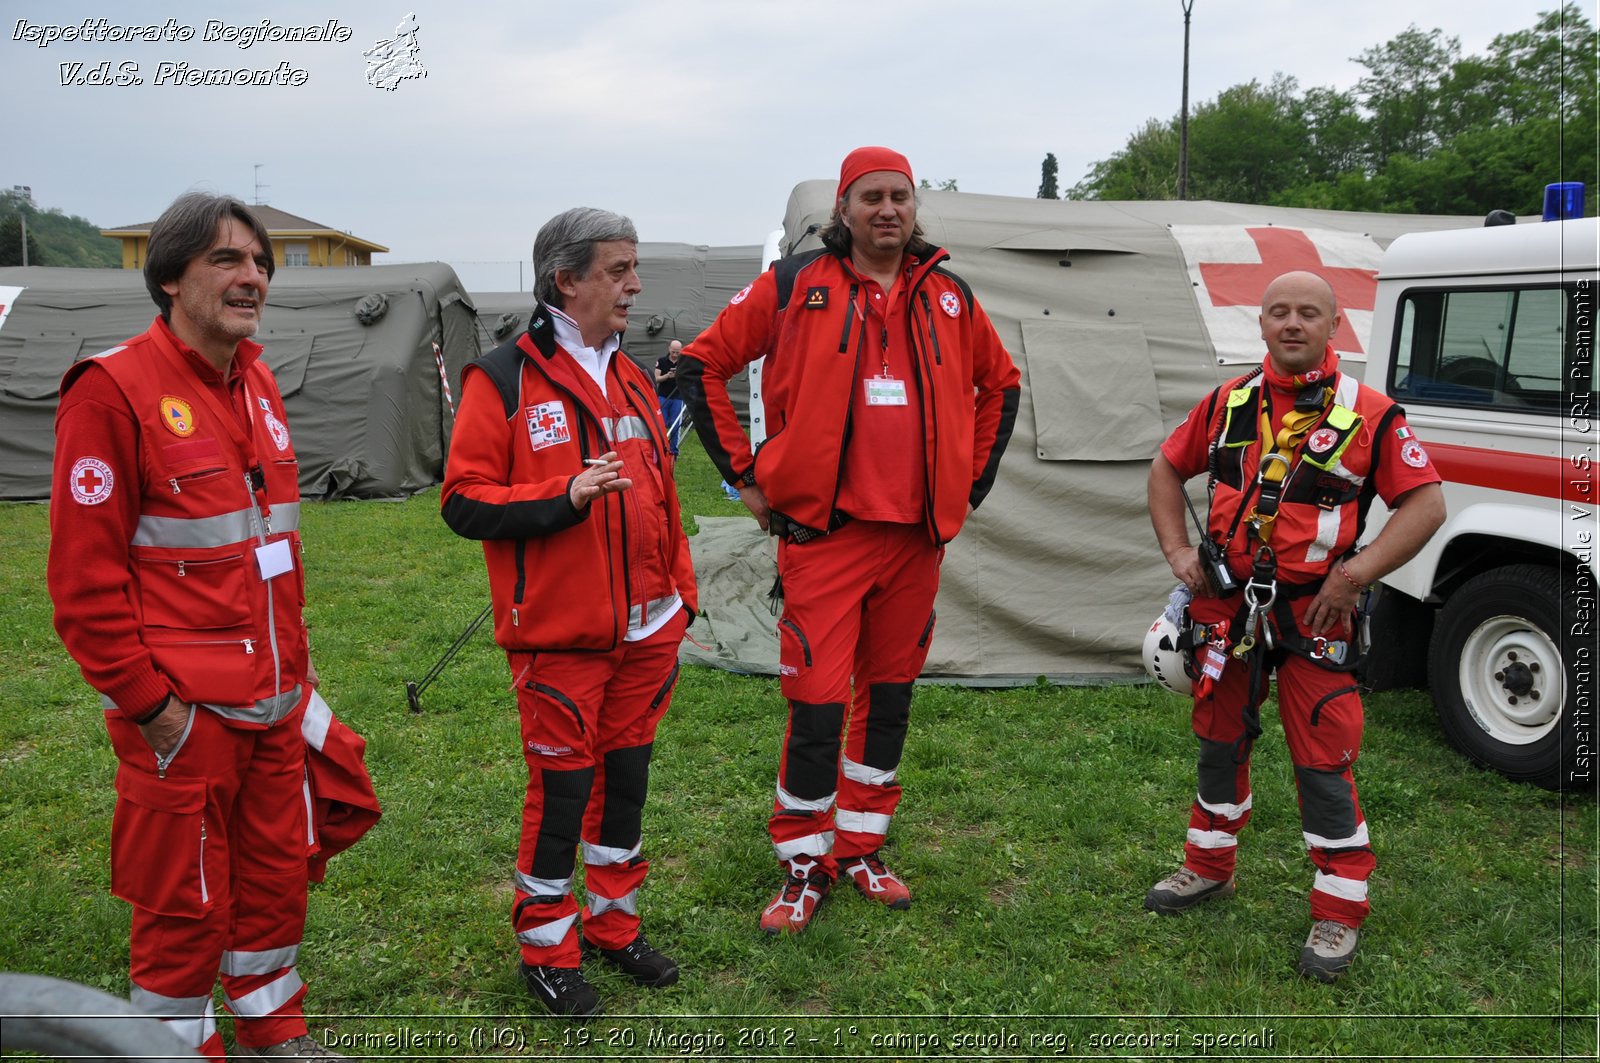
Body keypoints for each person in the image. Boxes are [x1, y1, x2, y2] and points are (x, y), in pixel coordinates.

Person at [679, 146, 1021, 935]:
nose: (888, 210)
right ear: (845, 208)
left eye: (900, 196)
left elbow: (998, 385)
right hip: (824, 538)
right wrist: (746, 478)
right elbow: (702, 366)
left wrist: (966, 485)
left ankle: (862, 844)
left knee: (889, 697)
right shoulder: (795, 285)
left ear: (914, 205)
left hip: (915, 543)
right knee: (818, 703)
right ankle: (805, 863)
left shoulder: (948, 293)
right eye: (871, 197)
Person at [47, 193, 353, 1061]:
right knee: (183, 898)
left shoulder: (255, 378)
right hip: (186, 715)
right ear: (171, 276)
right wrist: (156, 711)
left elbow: (270, 547)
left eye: (260, 261)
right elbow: (82, 588)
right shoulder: (112, 393)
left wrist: (296, 674)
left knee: (272, 877)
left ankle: (270, 1028)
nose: (253, 275)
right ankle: (173, 1047)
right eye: (227, 260)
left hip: (275, 696)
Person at [1144, 269, 1446, 982]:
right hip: (1224, 606)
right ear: (1260, 324)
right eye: (1278, 311)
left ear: (1333, 325)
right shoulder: (1227, 402)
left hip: (1317, 610)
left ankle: (1339, 911)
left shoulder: (1370, 411)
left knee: (1324, 758)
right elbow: (1165, 470)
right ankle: (1208, 866)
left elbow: (1426, 505)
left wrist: (1354, 576)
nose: (1291, 323)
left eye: (1307, 313)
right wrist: (1179, 552)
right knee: (1219, 741)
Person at [441, 207, 697, 1018]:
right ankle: (547, 948)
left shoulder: (628, 373)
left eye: (633, 266)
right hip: (562, 637)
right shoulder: (502, 377)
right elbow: (463, 500)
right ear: (566, 279)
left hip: (648, 631)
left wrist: (679, 596)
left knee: (623, 787)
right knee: (560, 795)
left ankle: (614, 925)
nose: (634, 283)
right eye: (618, 269)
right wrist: (563, 494)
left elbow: (659, 488)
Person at [654, 340, 686, 456]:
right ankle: (659, 448)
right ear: (669, 349)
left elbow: (687, 379)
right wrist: (667, 376)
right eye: (673, 352)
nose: (675, 355)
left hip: (678, 397)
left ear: (681, 351)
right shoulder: (661, 361)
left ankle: (673, 452)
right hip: (663, 396)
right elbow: (656, 379)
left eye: (677, 352)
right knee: (660, 423)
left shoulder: (683, 362)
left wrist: (679, 375)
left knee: (676, 424)